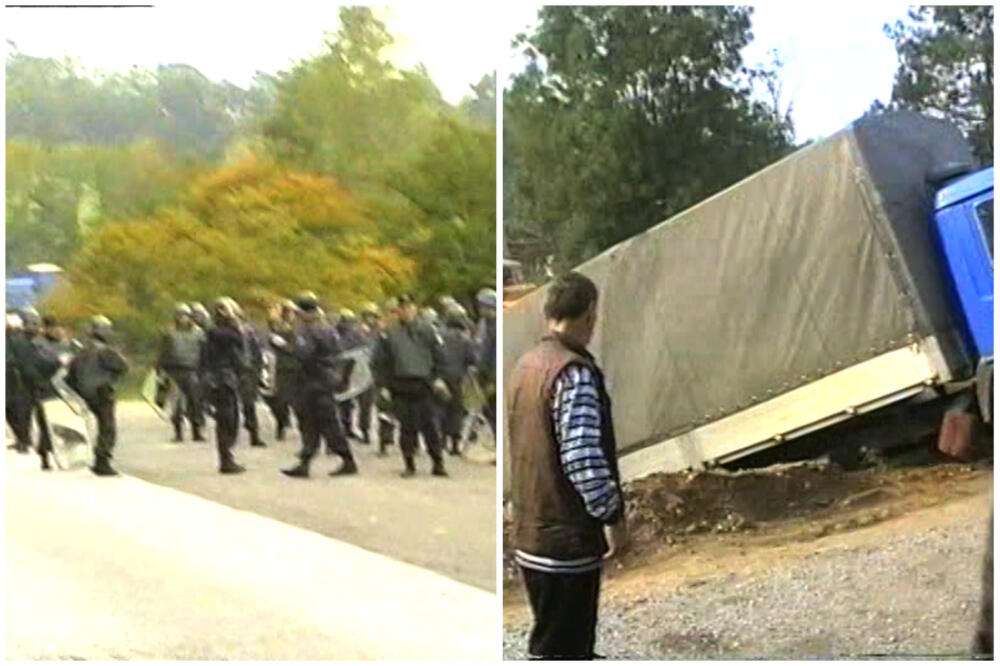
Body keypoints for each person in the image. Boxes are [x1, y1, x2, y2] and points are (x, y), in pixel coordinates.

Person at [506, 272, 627, 660]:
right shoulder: (573, 373)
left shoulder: (526, 366)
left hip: (532, 529)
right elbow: (583, 458)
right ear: (591, 314)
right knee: (563, 647)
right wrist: (612, 515)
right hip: (565, 539)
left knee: (552, 641)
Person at [371, 294, 450, 478]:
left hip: (424, 384)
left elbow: (440, 356)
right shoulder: (389, 334)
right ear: (398, 310)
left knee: (430, 427)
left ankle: (437, 463)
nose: (406, 311)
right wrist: (382, 385)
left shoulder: (428, 331)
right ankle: (409, 464)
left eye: (409, 307)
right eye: (403, 307)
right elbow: (380, 362)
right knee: (407, 428)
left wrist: (439, 378)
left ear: (415, 308)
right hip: (400, 385)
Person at [281, 292, 357, 478]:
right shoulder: (328, 329)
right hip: (321, 380)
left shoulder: (311, 330)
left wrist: (285, 346)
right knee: (311, 424)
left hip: (315, 382)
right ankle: (306, 461)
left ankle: (347, 460)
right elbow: (338, 353)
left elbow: (304, 354)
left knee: (326, 423)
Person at [66, 316, 129, 476]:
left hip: (84, 394)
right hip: (102, 392)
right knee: (107, 428)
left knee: (95, 426)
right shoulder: (107, 351)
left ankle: (90, 457)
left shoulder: (81, 351)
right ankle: (102, 461)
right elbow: (123, 367)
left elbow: (70, 376)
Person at [199, 297, 248, 474]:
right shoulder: (218, 332)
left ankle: (227, 457)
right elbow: (237, 338)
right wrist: (233, 319)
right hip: (221, 379)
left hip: (225, 377)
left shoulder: (218, 331)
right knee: (227, 420)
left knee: (231, 419)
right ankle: (226, 459)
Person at [156, 303, 206, 442]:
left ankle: (197, 432)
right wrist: (160, 370)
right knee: (177, 404)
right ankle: (178, 433)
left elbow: (204, 353)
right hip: (174, 371)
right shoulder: (169, 333)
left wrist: (204, 371)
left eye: (185, 316)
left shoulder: (198, 333)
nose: (183, 319)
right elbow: (163, 353)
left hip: (192, 370)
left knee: (195, 403)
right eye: (180, 316)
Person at [439, 308, 477, 455]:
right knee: (456, 411)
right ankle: (455, 444)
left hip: (441, 377)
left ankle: (441, 441)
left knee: (441, 409)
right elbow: (471, 359)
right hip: (458, 378)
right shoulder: (464, 339)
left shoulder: (440, 336)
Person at [263, 300, 298, 441]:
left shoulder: (298, 328)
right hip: (280, 368)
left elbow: (294, 348)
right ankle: (281, 424)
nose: (290, 315)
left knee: (300, 402)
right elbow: (271, 334)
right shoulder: (278, 327)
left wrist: (283, 344)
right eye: (287, 312)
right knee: (277, 400)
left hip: (295, 367)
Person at [234, 304, 267, 448]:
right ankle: (231, 436)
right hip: (232, 371)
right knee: (231, 407)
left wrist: (258, 372)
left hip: (247, 371)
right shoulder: (223, 333)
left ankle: (254, 433)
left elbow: (257, 353)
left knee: (249, 404)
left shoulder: (248, 332)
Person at [335, 308, 367, 440]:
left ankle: (347, 428)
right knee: (339, 402)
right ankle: (340, 430)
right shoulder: (335, 333)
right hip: (338, 370)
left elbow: (363, 349)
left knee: (347, 403)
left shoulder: (356, 334)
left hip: (351, 370)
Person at [6, 313, 34, 453]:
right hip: (11, 382)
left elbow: (22, 361)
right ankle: (22, 439)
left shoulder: (20, 341)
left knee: (20, 412)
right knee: (11, 412)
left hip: (18, 381)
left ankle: (24, 440)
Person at [475, 288, 497, 436]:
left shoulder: (496, 327)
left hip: (492, 377)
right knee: (488, 411)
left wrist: (494, 381)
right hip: (483, 375)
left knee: (495, 412)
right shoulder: (483, 324)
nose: (480, 309)